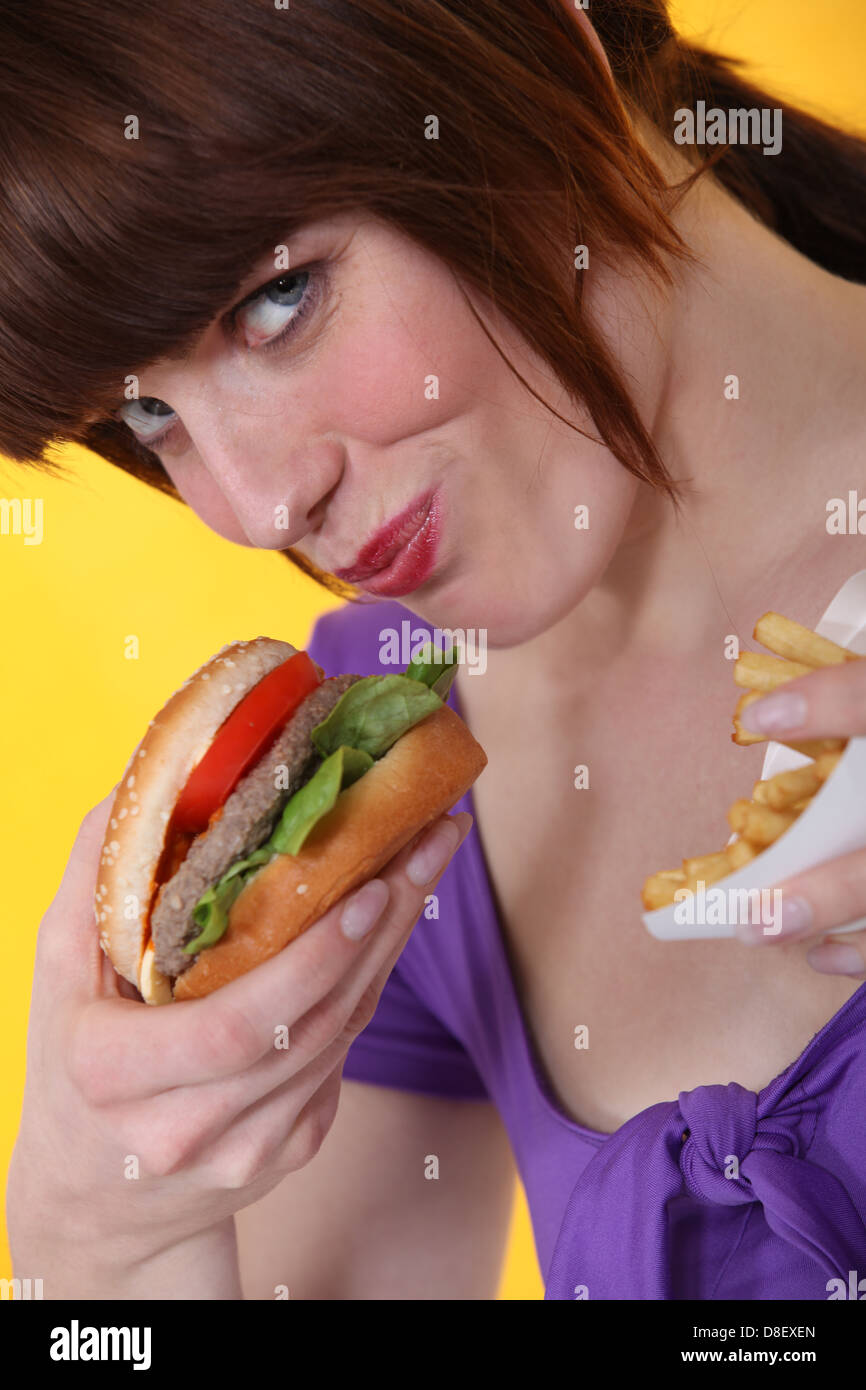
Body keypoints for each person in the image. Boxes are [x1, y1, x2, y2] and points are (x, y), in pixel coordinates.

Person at [5, 0, 866, 1300]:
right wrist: (96, 1250)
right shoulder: (403, 785)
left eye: (276, 297)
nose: (249, 507)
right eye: (144, 410)